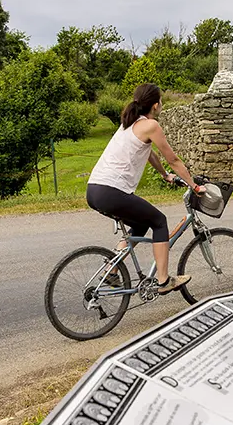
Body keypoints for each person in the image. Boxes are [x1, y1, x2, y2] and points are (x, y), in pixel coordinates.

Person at [87, 83, 204, 294]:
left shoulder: (129, 124)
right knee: (159, 221)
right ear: (156, 105)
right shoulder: (151, 125)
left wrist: (164, 175)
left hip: (94, 190)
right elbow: (174, 159)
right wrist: (194, 186)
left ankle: (111, 270)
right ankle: (163, 281)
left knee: (140, 225)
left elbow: (149, 153)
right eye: (161, 101)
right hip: (111, 191)